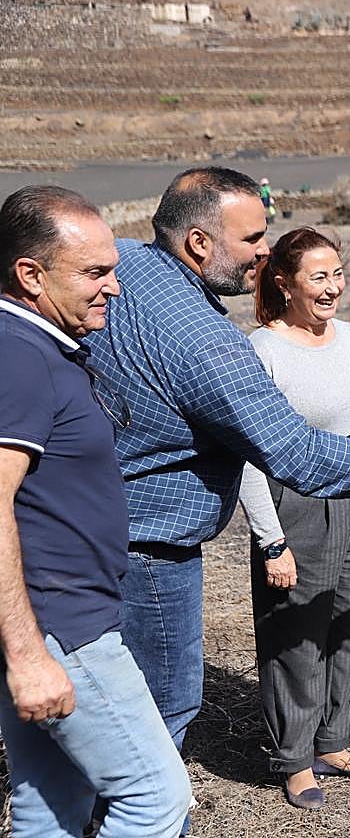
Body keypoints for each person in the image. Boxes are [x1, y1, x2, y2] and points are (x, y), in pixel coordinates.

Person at [82, 168, 350, 778]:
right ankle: (144, 808)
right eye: (252, 240)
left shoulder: (125, 264)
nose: (263, 251)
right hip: (153, 544)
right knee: (163, 706)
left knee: (104, 698)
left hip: (100, 519)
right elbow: (295, 454)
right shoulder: (211, 341)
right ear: (198, 244)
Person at [0, 185, 191, 836]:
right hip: (62, 627)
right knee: (155, 798)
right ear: (30, 274)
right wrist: (28, 656)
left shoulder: (39, 345)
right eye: (95, 272)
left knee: (50, 804)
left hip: (50, 622)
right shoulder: (19, 357)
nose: (114, 287)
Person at [237, 228, 350, 809]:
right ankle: (293, 758)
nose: (333, 287)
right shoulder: (262, 350)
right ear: (285, 283)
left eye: (338, 274)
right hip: (298, 509)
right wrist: (271, 541)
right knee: (297, 636)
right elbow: (247, 456)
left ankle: (333, 740)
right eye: (319, 277)